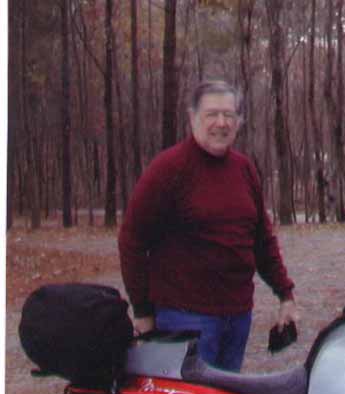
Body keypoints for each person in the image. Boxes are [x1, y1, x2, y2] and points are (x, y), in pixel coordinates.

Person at [118, 80, 298, 372]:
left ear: (239, 121)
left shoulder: (244, 169)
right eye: (212, 114)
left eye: (229, 115)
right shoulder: (168, 168)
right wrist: (142, 311)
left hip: (237, 317)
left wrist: (285, 294)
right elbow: (131, 240)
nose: (221, 123)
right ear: (193, 118)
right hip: (183, 318)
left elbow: (262, 240)